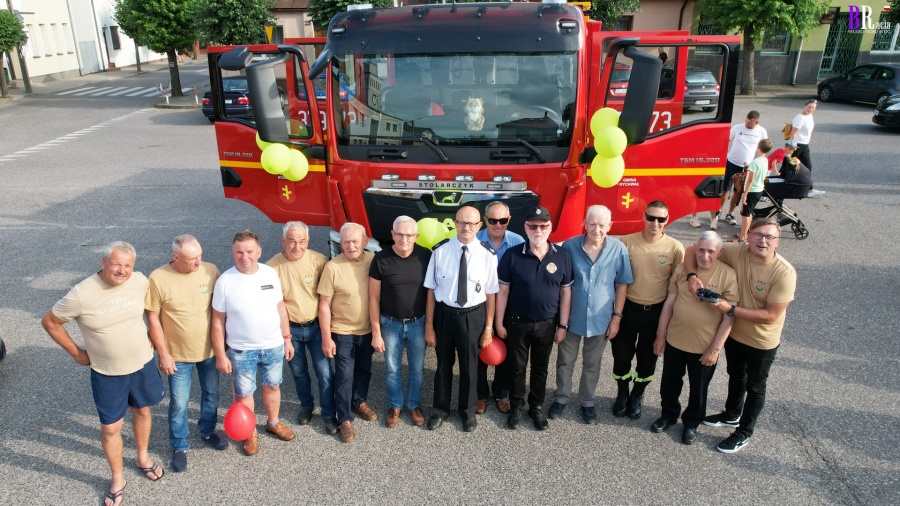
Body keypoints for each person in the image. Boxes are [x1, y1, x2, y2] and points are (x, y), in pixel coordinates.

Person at [42, 241, 166, 506]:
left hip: (142, 363)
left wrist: (153, 338)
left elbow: (155, 309)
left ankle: (142, 457)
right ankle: (117, 477)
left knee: (143, 411)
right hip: (107, 373)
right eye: (117, 264)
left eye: (127, 266)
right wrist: (77, 353)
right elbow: (50, 322)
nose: (122, 271)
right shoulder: (81, 294)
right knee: (111, 428)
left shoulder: (140, 281)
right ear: (103, 262)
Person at [686, 219, 797, 453]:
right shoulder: (737, 251)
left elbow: (770, 315)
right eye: (758, 235)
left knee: (756, 387)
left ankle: (744, 432)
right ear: (748, 236)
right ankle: (731, 414)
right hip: (736, 335)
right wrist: (692, 276)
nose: (762, 241)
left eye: (769, 237)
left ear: (778, 241)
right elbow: (690, 250)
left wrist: (730, 309)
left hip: (762, 341)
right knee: (736, 376)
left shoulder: (784, 273)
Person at [145, 235, 226, 473]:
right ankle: (179, 444)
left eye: (200, 256)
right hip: (177, 356)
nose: (199, 262)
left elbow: (222, 308)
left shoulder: (210, 271)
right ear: (175, 257)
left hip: (209, 351)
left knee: (211, 394)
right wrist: (163, 354)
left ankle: (208, 430)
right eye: (192, 259)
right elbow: (152, 319)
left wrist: (224, 346)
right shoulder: (158, 278)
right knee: (179, 403)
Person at [212, 230, 295, 456]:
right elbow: (218, 322)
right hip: (241, 350)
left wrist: (287, 339)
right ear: (233, 252)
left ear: (259, 252)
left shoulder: (269, 274)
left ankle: (273, 422)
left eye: (249, 251)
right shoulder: (225, 281)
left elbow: (280, 309)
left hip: (273, 345)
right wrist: (221, 354)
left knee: (272, 386)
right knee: (245, 393)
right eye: (239, 252)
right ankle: (249, 432)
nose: (245, 257)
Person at [651, 231, 738, 445]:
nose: (705, 256)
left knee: (699, 390)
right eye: (701, 250)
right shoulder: (683, 270)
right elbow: (669, 304)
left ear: (720, 252)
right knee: (669, 383)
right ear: (694, 249)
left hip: (704, 347)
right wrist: (660, 336)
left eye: (711, 251)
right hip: (675, 341)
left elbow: (730, 315)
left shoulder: (728, 275)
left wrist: (715, 349)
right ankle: (668, 415)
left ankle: (691, 423)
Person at [550, 205, 631, 424]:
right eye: (592, 224)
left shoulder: (618, 249)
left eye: (602, 225)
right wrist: (560, 322)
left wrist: (617, 317)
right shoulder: (569, 246)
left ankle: (587, 401)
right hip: (572, 317)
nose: (596, 229)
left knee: (592, 363)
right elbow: (561, 283)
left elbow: (622, 284)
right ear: (585, 224)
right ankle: (561, 397)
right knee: (565, 361)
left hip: (601, 318)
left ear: (609, 226)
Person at [495, 206, 573, 431]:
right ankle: (517, 405)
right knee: (517, 368)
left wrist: (563, 325)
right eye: (533, 226)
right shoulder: (512, 255)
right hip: (517, 322)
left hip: (548, 324)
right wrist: (499, 322)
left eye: (543, 225)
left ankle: (535, 407)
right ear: (525, 227)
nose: (538, 230)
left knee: (541, 368)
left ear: (550, 227)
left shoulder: (562, 256)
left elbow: (566, 292)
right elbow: (503, 291)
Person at [425, 205, 499, 432]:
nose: (466, 227)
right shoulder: (439, 251)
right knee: (443, 366)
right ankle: (440, 410)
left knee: (470, 368)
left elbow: (491, 294)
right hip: (445, 315)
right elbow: (430, 289)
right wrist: (429, 326)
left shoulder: (487, 254)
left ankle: (467, 413)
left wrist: (488, 328)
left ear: (479, 225)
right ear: (454, 223)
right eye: (462, 222)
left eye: (471, 223)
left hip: (473, 316)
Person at [614, 201, 684, 420]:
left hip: (656, 312)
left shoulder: (675, 248)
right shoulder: (627, 242)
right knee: (621, 354)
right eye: (651, 217)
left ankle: (638, 393)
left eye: (661, 219)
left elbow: (677, 284)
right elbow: (616, 279)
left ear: (667, 219)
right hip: (629, 308)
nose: (655, 223)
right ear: (644, 217)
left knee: (648, 356)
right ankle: (623, 392)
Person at [266, 222, 337, 435]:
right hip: (290, 331)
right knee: (298, 373)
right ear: (283, 241)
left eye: (302, 241)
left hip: (316, 327)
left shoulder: (319, 261)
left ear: (308, 241)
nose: (297, 246)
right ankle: (307, 405)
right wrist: (285, 337)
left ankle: (328, 413)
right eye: (292, 241)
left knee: (324, 372)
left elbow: (329, 298)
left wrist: (328, 333)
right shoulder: (271, 269)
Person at [369, 216, 431, 428]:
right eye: (400, 234)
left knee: (417, 368)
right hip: (390, 324)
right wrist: (376, 332)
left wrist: (430, 325)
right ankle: (395, 404)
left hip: (418, 323)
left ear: (416, 236)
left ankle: (413, 404)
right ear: (392, 234)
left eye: (409, 235)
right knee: (392, 368)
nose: (404, 239)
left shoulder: (426, 256)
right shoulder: (380, 259)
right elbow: (373, 298)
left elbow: (431, 294)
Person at [319, 222, 376, 443]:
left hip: (368, 329)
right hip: (342, 331)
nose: (351, 246)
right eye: (346, 242)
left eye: (355, 241)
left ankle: (358, 401)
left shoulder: (373, 261)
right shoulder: (332, 267)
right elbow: (324, 305)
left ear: (364, 242)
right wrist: (326, 337)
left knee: (364, 369)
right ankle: (345, 419)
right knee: (344, 376)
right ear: (340, 243)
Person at [475, 201, 524, 414]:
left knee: (507, 352)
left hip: (508, 306)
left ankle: (500, 393)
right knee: (479, 351)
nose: (497, 224)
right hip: (478, 306)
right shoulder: (474, 241)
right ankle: (480, 394)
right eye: (492, 220)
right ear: (485, 220)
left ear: (509, 220)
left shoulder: (518, 242)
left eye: (502, 220)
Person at [692, 110, 768, 229]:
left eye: (750, 122)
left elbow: (763, 148)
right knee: (725, 190)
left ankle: (730, 214)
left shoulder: (762, 132)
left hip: (747, 166)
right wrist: (722, 156)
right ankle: (718, 212)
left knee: (738, 192)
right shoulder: (738, 128)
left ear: (756, 122)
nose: (747, 123)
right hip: (731, 162)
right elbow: (726, 141)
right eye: (746, 120)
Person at [736, 139, 774, 242]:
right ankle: (747, 233)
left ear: (758, 147)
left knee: (745, 214)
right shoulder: (765, 160)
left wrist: (745, 195)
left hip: (752, 190)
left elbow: (750, 180)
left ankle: (743, 237)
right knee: (750, 212)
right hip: (759, 189)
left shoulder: (755, 162)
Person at [789, 98, 823, 197]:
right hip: (797, 145)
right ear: (805, 106)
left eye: (813, 108)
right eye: (809, 107)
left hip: (804, 144)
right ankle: (782, 186)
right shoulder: (800, 118)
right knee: (790, 166)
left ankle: (809, 189)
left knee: (807, 167)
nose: (811, 109)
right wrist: (790, 147)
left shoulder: (810, 116)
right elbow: (793, 133)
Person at [766, 140, 813, 206]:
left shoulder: (780, 150)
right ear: (788, 149)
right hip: (767, 167)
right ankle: (762, 196)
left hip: (766, 164)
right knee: (764, 181)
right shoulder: (782, 155)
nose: (792, 152)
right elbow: (774, 162)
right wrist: (776, 172)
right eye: (792, 151)